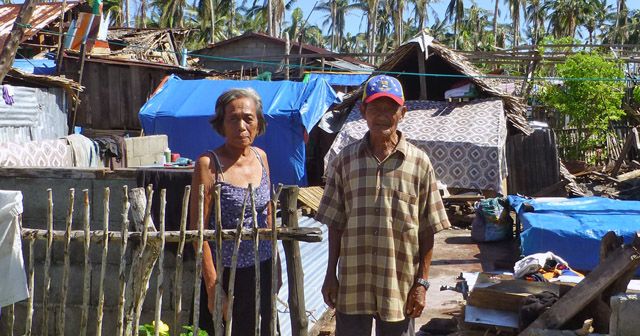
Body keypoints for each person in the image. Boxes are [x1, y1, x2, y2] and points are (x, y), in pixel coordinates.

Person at [316, 75, 451, 336]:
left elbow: (428, 230)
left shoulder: (419, 164)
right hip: (354, 283)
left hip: (399, 286)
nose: (382, 116)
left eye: (390, 108)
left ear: (403, 113)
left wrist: (421, 284)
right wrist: (330, 274)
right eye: (375, 108)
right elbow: (336, 224)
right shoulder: (345, 161)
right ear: (363, 111)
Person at [190, 88, 276, 335]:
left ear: (258, 122)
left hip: (262, 268)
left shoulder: (262, 157)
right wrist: (213, 286)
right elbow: (198, 229)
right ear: (221, 124)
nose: (241, 126)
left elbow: (268, 212)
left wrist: (276, 265)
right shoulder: (209, 164)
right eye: (233, 118)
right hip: (225, 274)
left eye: (248, 118)